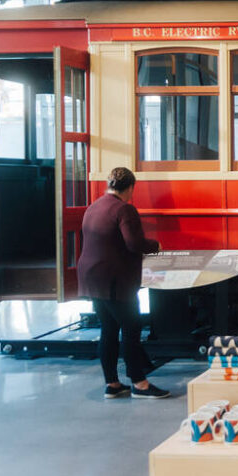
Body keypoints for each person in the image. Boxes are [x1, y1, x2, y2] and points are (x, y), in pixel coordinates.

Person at [77, 167, 169, 399]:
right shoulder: (124, 209)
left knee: (108, 329)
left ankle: (112, 384)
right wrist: (155, 246)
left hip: (91, 277)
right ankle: (139, 383)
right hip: (115, 280)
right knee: (131, 329)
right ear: (129, 188)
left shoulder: (94, 207)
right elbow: (134, 243)